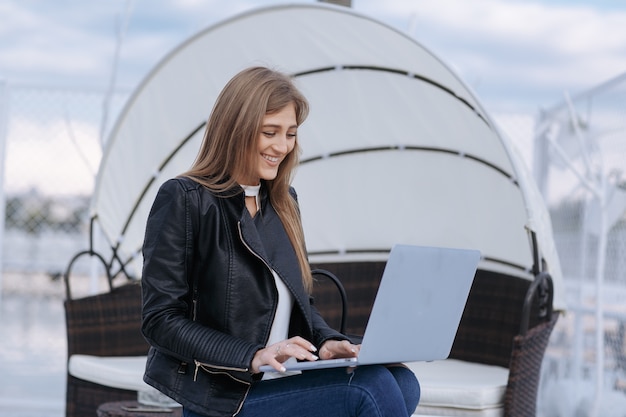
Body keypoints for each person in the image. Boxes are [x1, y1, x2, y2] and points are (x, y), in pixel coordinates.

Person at [141, 66, 420, 417]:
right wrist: (252, 355)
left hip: (284, 382)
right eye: (269, 132)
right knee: (370, 387)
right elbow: (160, 320)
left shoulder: (284, 203)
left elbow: (302, 306)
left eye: (290, 134)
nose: (282, 147)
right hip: (226, 397)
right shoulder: (185, 199)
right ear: (235, 130)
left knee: (403, 381)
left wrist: (328, 341)